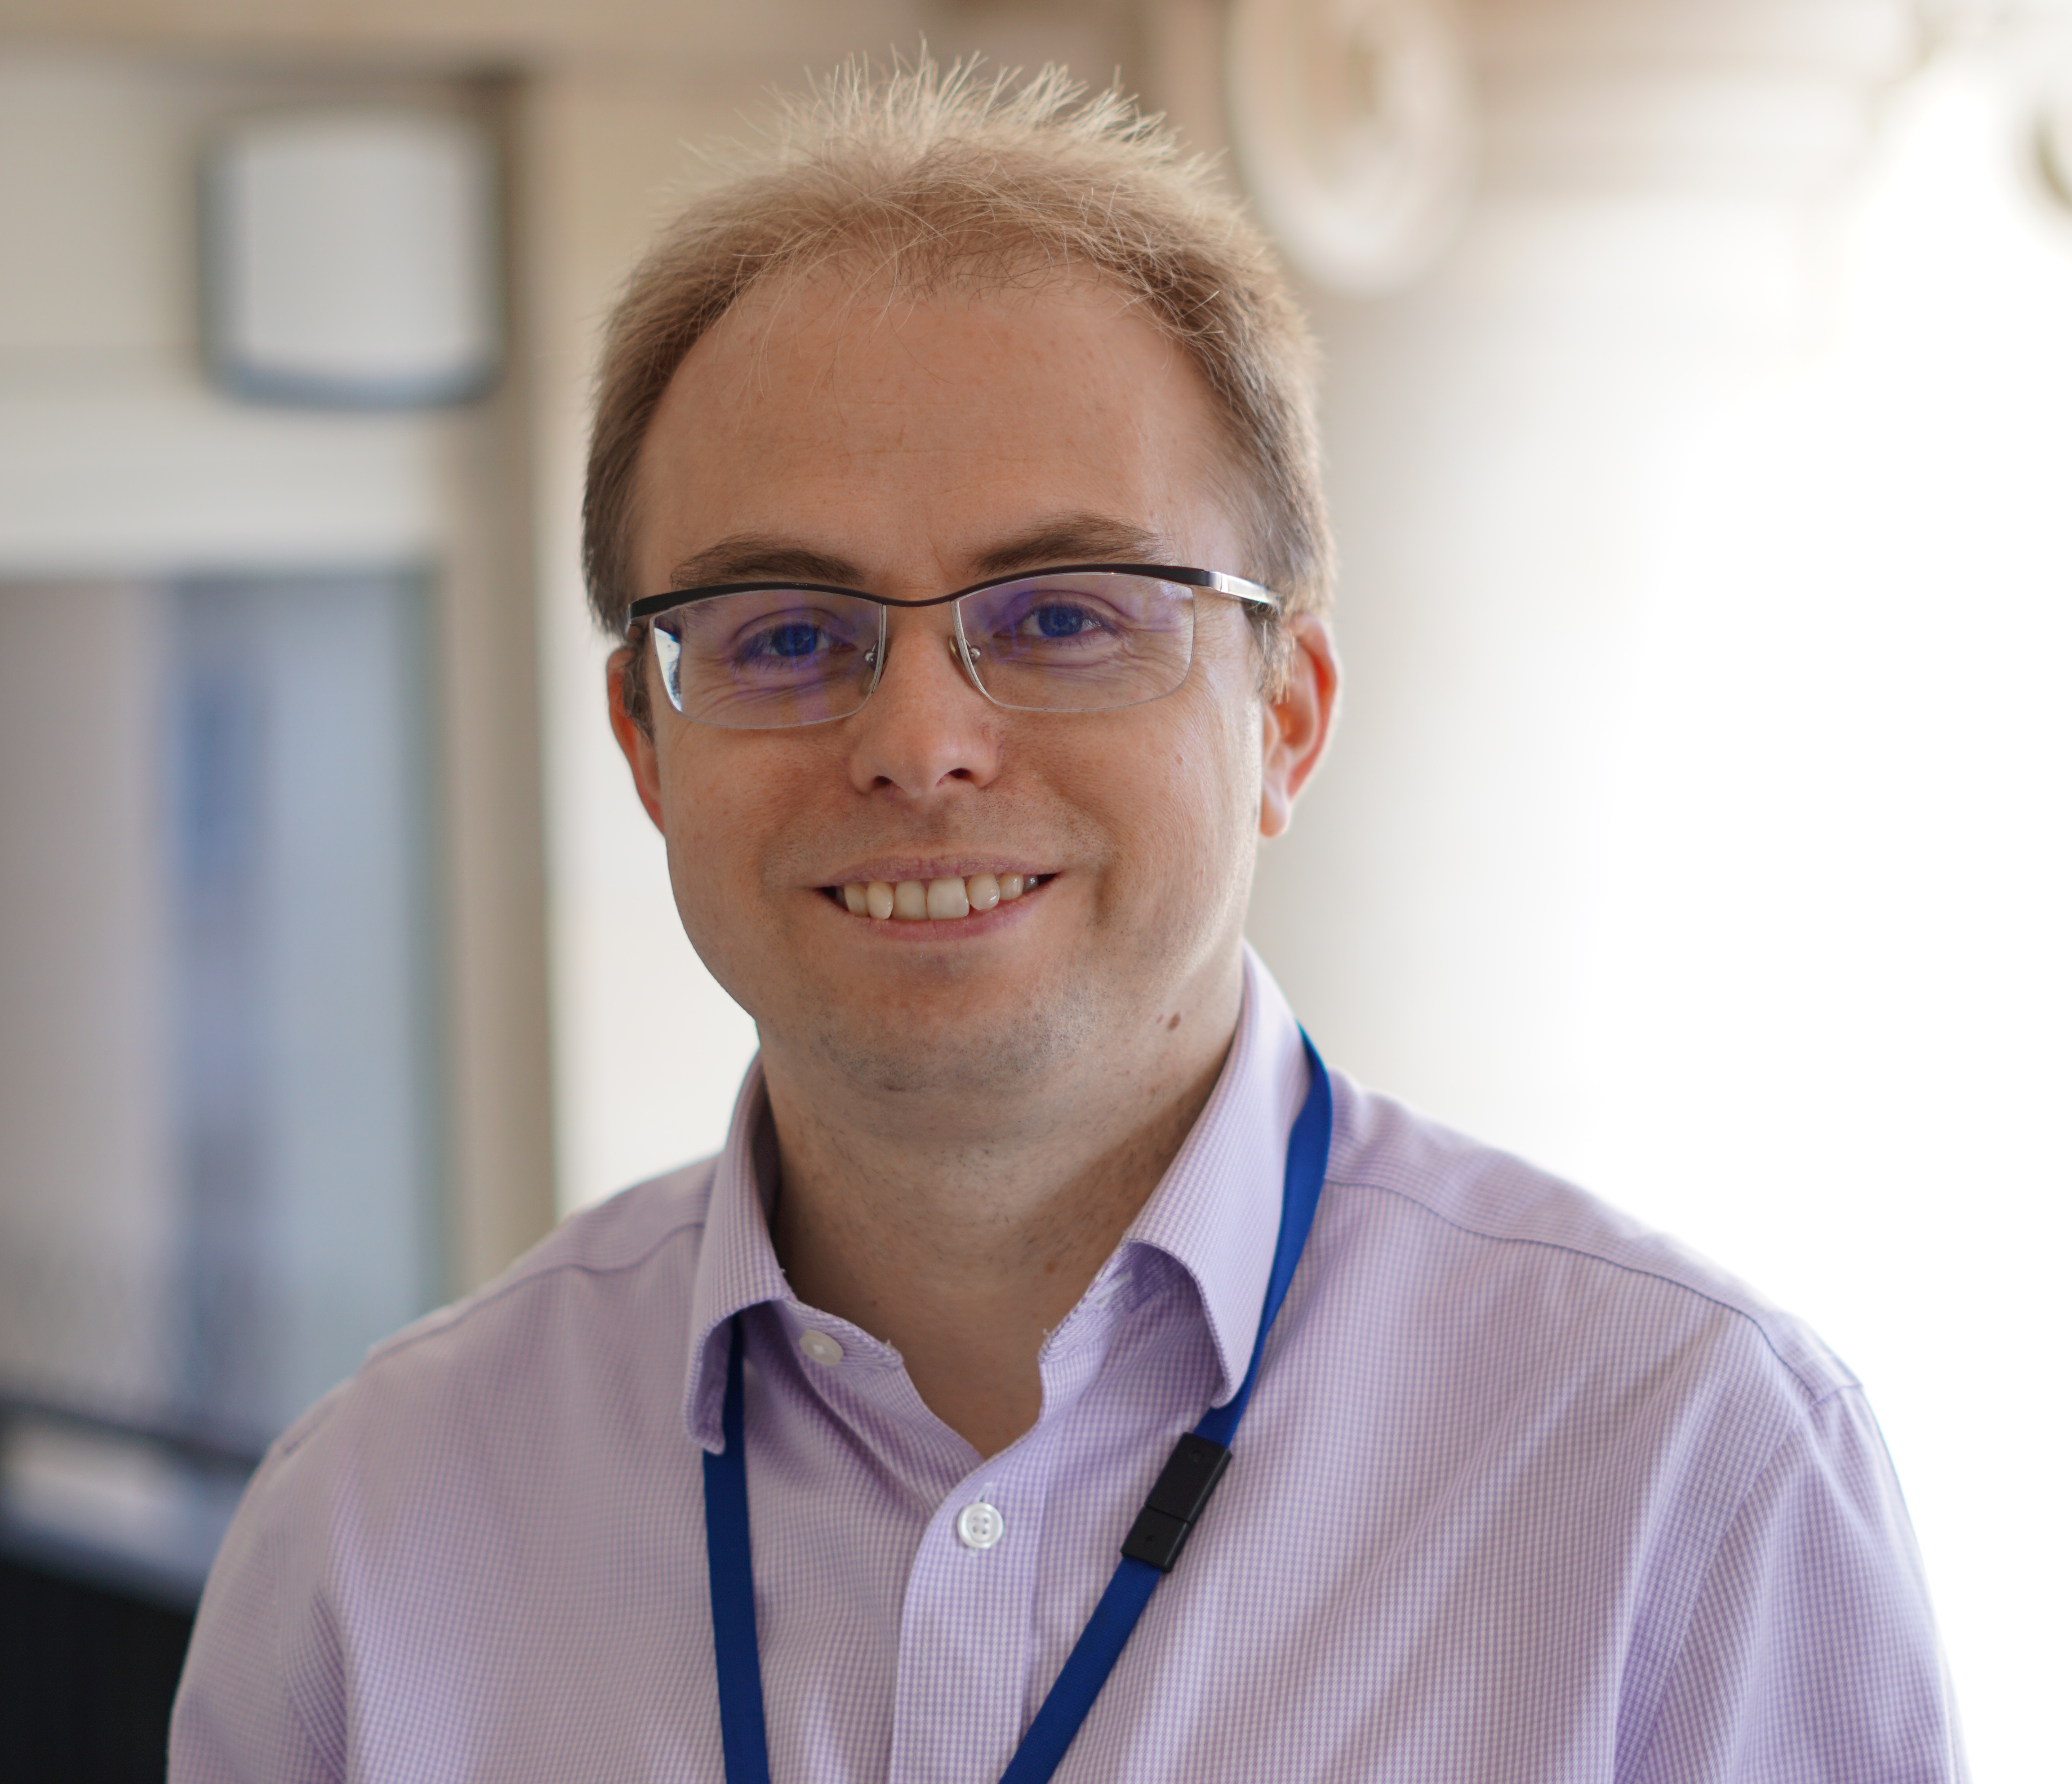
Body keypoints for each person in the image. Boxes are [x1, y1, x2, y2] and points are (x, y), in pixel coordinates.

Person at [171, 60, 1964, 1784]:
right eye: (785, 634)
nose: (918, 743)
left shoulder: (1685, 1479)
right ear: (646, 741)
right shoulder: (372, 1538)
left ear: (1285, 716)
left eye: (1062, 617)